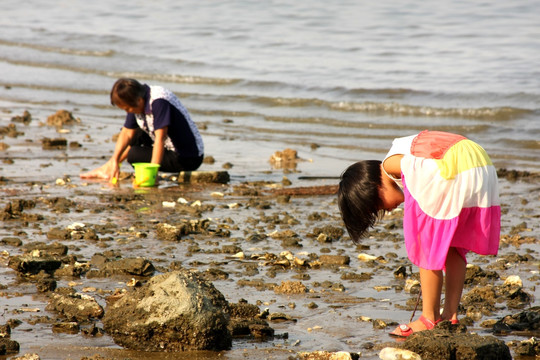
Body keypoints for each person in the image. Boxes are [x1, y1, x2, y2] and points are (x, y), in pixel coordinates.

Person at [337, 130, 501, 337]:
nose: (387, 211)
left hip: (452, 165)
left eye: (378, 206)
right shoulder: (399, 151)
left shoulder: (389, 165)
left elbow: (419, 167)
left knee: (426, 244)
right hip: (479, 163)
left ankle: (429, 318)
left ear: (374, 186)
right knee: (453, 246)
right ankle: (450, 315)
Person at [80, 78, 204, 182]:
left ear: (139, 100)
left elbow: (160, 139)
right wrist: (114, 160)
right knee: (136, 133)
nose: (128, 112)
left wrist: (152, 174)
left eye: (128, 109)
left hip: (187, 157)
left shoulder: (158, 102)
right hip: (167, 147)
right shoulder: (138, 99)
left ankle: (111, 167)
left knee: (134, 154)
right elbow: (127, 132)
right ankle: (108, 167)